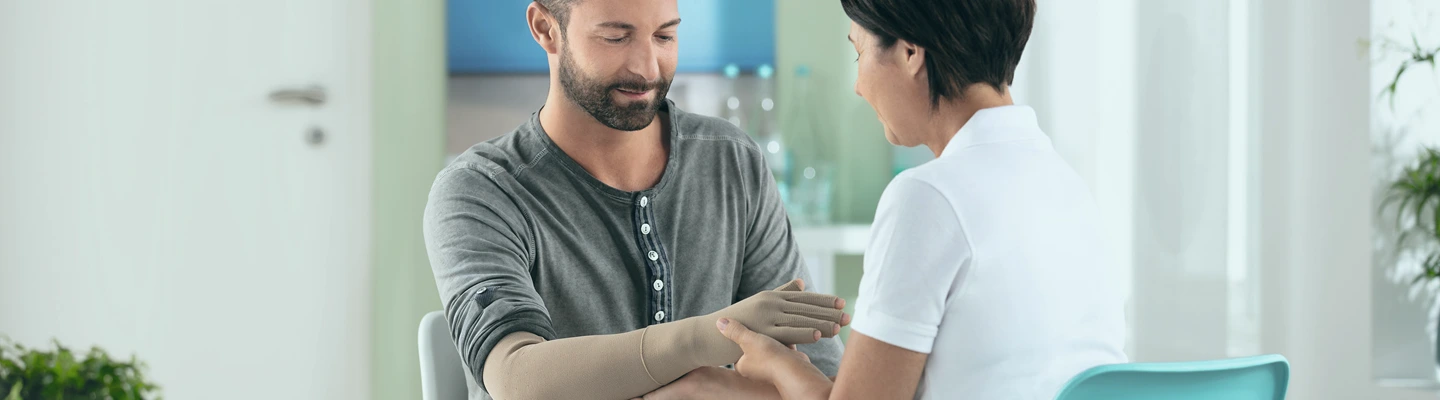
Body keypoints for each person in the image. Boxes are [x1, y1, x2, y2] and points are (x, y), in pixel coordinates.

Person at [422, 0, 848, 399]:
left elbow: (824, 382)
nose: (647, 68)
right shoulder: (481, 190)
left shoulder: (731, 161)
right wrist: (707, 338)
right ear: (545, 28)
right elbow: (516, 378)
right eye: (615, 37)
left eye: (665, 37)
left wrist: (715, 388)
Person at [716, 1, 1129, 399]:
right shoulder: (1067, 185)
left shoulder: (927, 198)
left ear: (910, 52)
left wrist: (778, 363)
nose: (858, 87)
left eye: (859, 51)